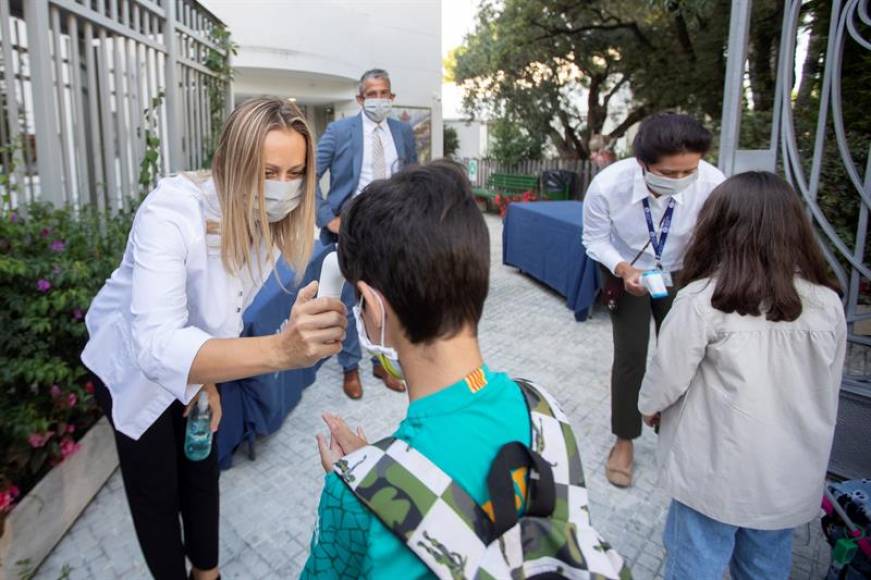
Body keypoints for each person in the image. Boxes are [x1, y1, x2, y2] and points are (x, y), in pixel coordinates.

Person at [301, 162, 625, 579]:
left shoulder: (350, 498)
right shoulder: (544, 408)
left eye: (358, 304)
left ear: (374, 306)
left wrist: (362, 485)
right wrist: (375, 472)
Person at [81, 97, 347, 580]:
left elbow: (225, 316)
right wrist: (281, 351)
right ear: (231, 163)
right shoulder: (170, 210)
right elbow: (156, 345)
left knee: (201, 463)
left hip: (197, 359)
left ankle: (208, 573)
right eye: (268, 171)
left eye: (295, 173)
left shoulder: (270, 223)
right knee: (156, 488)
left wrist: (207, 381)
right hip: (132, 368)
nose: (282, 187)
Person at [638, 171, 846, 580]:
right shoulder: (827, 303)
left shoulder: (702, 300)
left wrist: (648, 407)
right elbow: (829, 383)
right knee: (765, 567)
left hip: (713, 472)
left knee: (694, 564)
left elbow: (667, 376)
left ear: (718, 228)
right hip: (787, 472)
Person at [581, 112, 725, 488]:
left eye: (689, 171)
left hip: (682, 273)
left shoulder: (713, 184)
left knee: (683, 354)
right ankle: (624, 439)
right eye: (669, 173)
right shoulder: (607, 185)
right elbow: (594, 239)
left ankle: (674, 428)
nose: (680, 180)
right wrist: (623, 269)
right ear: (642, 163)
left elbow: (720, 239)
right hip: (627, 272)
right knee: (631, 355)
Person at [315, 68, 418, 400]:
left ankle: (381, 363)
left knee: (385, 302)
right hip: (351, 231)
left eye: (384, 93)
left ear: (392, 97)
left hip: (391, 231)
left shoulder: (403, 132)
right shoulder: (339, 131)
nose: (378, 99)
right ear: (360, 98)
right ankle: (350, 368)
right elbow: (309, 174)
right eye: (372, 94)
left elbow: (412, 179)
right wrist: (327, 217)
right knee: (348, 302)